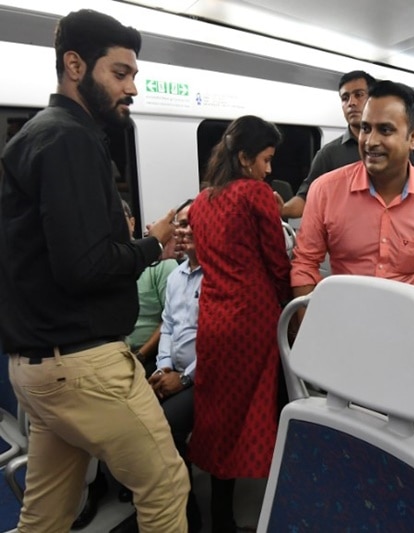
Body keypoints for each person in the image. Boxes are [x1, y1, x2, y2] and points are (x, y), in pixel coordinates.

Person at [0, 9, 189, 532]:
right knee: (167, 484)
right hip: (82, 366)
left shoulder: (33, 136)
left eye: (134, 76)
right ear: (75, 65)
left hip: (41, 366)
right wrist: (152, 243)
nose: (132, 88)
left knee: (45, 515)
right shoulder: (70, 139)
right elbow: (84, 268)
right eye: (120, 73)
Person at [188, 115, 291, 532]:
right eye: (266, 159)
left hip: (213, 320)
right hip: (254, 322)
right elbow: (277, 264)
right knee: (277, 408)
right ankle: (284, 503)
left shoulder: (200, 202)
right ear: (246, 157)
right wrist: (294, 308)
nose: (270, 169)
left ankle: (222, 517)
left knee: (219, 420)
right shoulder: (257, 195)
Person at [291, 80, 414, 297]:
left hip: (407, 321)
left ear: (413, 138)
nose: (370, 141)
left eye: (385, 130)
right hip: (347, 318)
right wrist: (309, 324)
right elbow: (305, 263)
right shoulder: (325, 191)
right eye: (365, 129)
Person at [149, 199, 203, 532]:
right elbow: (167, 325)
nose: (181, 231)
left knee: (165, 427)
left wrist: (183, 379)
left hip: (205, 376)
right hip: (174, 371)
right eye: (179, 224)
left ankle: (189, 517)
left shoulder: (219, 277)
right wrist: (163, 366)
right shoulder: (177, 275)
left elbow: (217, 341)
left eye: (189, 224)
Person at [277, 70, 375, 219]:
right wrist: (281, 210)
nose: (351, 103)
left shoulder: (394, 147)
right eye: (345, 98)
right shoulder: (329, 154)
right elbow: (306, 198)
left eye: (359, 95)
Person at [123, 199, 178, 375]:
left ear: (132, 223)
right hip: (113, 357)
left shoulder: (159, 262)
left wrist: (140, 355)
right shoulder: (104, 267)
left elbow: (171, 319)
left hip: (149, 355)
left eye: (118, 218)